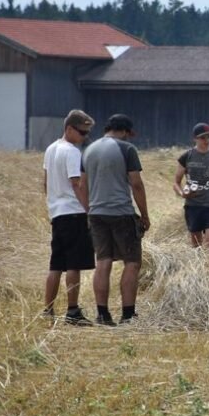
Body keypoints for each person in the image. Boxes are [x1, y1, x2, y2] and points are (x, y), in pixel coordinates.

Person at [82, 114, 150, 326]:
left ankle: (102, 315)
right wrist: (145, 215)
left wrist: (89, 211)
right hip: (121, 213)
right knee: (132, 262)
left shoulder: (88, 150)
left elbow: (82, 185)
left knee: (103, 262)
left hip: (96, 213)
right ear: (125, 131)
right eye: (129, 135)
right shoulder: (126, 149)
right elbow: (136, 184)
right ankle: (128, 315)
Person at [41, 110, 96, 325]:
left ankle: (48, 310)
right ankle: (73, 312)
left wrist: (52, 205)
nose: (84, 137)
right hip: (74, 213)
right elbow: (76, 183)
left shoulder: (50, 149)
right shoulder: (72, 152)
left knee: (55, 264)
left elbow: (46, 182)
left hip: (57, 212)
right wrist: (88, 210)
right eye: (82, 132)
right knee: (74, 264)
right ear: (69, 129)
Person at [173, 123, 209, 251]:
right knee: (197, 248)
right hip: (193, 206)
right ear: (195, 139)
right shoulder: (186, 156)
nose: (206, 140)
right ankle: (199, 270)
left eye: (208, 137)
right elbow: (176, 182)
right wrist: (182, 194)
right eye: (203, 137)